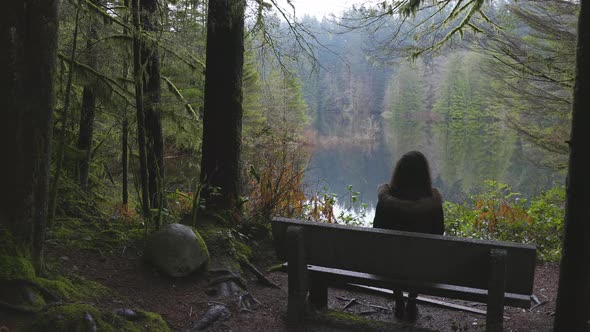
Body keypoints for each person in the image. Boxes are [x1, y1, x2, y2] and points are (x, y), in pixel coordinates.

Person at [373, 150, 444, 321]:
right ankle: (411, 301)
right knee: (422, 257)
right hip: (422, 269)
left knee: (391, 255)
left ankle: (399, 300)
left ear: (398, 173)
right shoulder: (433, 204)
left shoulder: (386, 202)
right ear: (425, 175)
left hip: (388, 267)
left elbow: (376, 230)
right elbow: (439, 232)